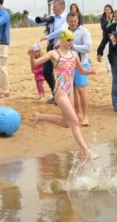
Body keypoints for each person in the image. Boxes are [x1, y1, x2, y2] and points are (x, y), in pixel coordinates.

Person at [29, 29, 99, 160]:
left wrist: (90, 72)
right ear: (62, 39)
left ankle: (40, 117)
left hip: (70, 91)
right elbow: (35, 65)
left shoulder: (74, 54)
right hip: (60, 91)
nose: (71, 43)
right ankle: (87, 151)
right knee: (75, 120)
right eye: (69, 40)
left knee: (66, 123)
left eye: (72, 40)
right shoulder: (53, 54)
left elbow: (81, 70)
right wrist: (32, 56)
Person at [39, 0, 68, 104]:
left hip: (61, 47)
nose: (53, 8)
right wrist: (28, 17)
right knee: (46, 71)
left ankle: (63, 96)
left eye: (55, 6)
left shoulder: (66, 18)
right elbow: (40, 21)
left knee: (61, 73)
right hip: (50, 47)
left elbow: (61, 31)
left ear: (61, 7)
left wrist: (47, 37)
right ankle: (55, 94)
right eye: (52, 6)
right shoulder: (51, 18)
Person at [67, 12, 92, 126]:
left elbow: (88, 48)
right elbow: (59, 43)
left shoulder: (84, 32)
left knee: (82, 90)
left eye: (75, 21)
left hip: (81, 64)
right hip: (68, 66)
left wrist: (73, 47)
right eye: (71, 21)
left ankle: (86, 116)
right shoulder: (65, 32)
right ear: (67, 21)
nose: (73, 23)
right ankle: (77, 114)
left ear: (78, 20)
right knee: (72, 91)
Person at [100, 4, 113, 76]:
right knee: (107, 53)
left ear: (111, 10)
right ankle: (108, 69)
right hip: (106, 38)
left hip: (114, 38)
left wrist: (111, 19)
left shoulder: (114, 16)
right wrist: (107, 20)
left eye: (109, 9)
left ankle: (113, 67)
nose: (107, 10)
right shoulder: (103, 18)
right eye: (106, 9)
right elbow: (103, 27)